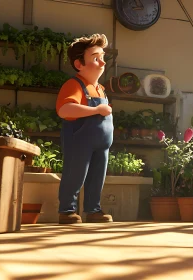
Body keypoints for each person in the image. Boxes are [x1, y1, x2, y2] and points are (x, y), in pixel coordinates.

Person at [55, 34, 114, 224]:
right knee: (75, 174)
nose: (102, 63)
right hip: (80, 141)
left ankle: (93, 210)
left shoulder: (101, 89)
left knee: (97, 177)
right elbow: (64, 110)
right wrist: (96, 109)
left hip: (101, 145)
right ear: (79, 64)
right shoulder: (74, 85)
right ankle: (67, 211)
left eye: (103, 57)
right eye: (96, 58)